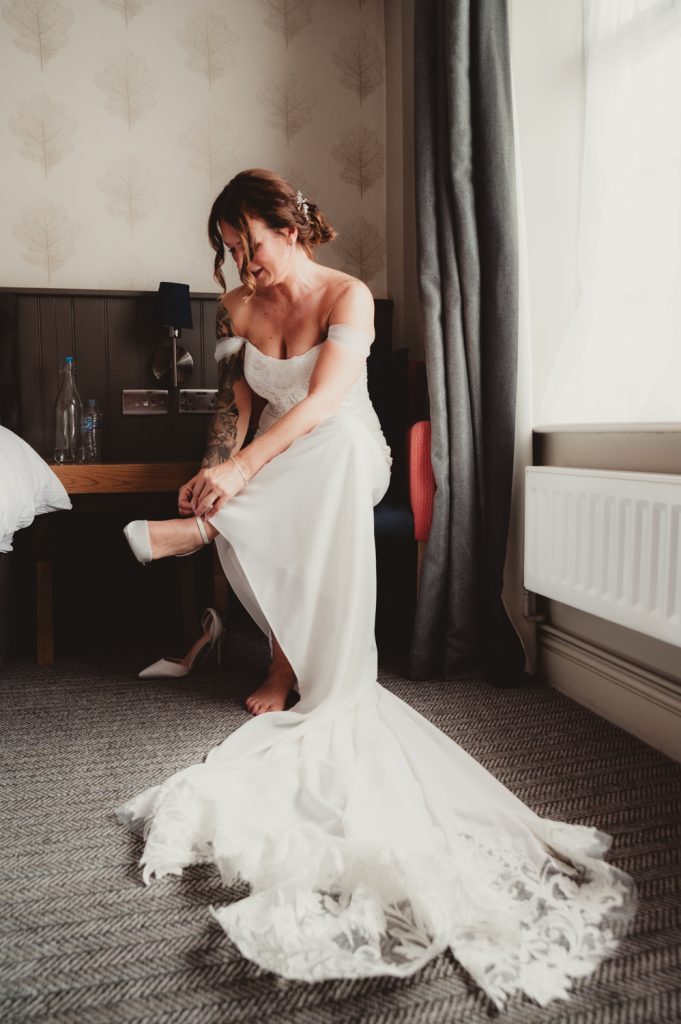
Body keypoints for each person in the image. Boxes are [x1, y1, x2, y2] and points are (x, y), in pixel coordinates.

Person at [117, 169, 635, 1008]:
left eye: (252, 241)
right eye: (228, 248)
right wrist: (215, 469)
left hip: (347, 451)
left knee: (320, 456)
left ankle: (215, 556)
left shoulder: (346, 295)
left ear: (291, 228)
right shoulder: (237, 312)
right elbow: (236, 411)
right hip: (275, 469)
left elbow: (324, 403)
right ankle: (271, 640)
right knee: (262, 481)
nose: (241, 261)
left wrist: (238, 482)